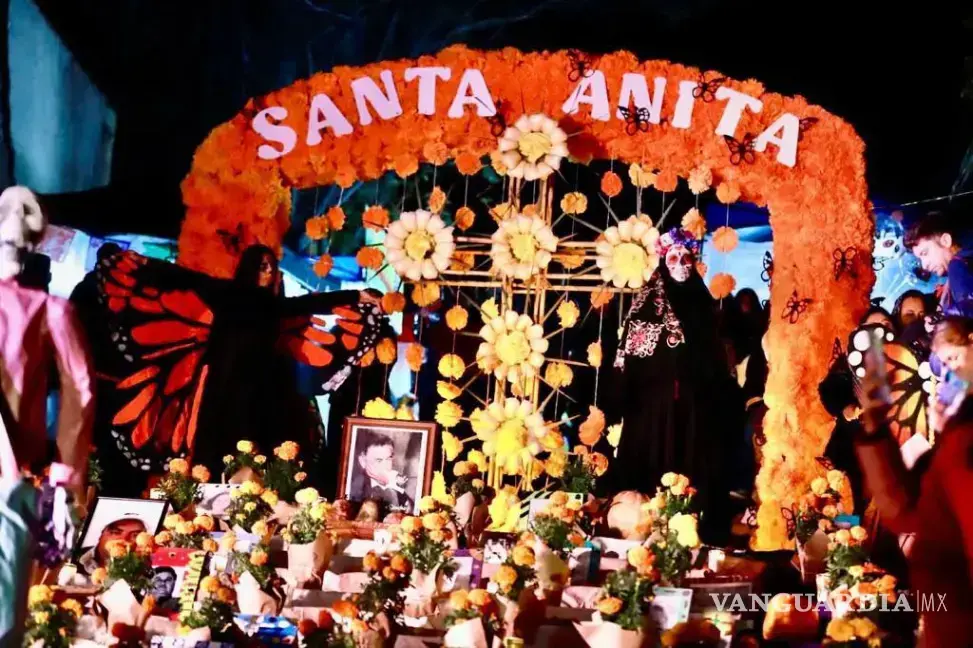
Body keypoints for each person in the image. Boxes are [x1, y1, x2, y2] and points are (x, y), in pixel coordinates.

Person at [93, 245, 385, 483]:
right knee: (217, 440)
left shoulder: (274, 304)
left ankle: (253, 498)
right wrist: (144, 263)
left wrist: (357, 295)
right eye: (262, 265)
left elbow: (312, 303)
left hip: (262, 386)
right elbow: (182, 277)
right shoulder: (225, 293)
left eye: (272, 266)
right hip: (223, 383)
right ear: (249, 268)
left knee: (258, 443)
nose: (268, 271)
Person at [607, 228, 738, 543]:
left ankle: (691, 531)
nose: (681, 264)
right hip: (652, 410)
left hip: (695, 410)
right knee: (651, 470)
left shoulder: (704, 306)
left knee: (693, 471)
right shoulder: (646, 305)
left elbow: (717, 361)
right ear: (664, 262)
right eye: (674, 258)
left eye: (686, 258)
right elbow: (629, 356)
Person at [855, 316, 973, 645]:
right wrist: (876, 429)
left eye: (955, 358)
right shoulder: (959, 433)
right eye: (944, 363)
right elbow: (913, 516)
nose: (950, 372)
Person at [905, 211, 973, 319]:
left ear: (945, 241)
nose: (924, 265)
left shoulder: (956, 266)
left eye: (925, 253)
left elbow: (968, 314)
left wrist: (941, 321)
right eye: (920, 258)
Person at [349, 431, 414, 513]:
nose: (386, 466)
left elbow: (410, 508)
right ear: (363, 461)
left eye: (388, 459)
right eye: (379, 460)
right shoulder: (355, 489)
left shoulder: (396, 487)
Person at [77, 517, 147, 574]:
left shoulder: (144, 572)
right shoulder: (75, 556)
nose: (124, 539)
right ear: (100, 535)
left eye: (135, 535)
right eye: (116, 532)